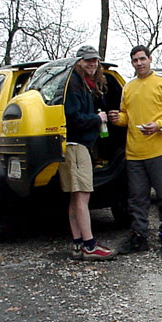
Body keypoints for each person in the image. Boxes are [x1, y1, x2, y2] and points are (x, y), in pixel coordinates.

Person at [109, 45, 162, 255]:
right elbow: (126, 116)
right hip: (134, 153)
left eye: (142, 59)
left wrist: (159, 125)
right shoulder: (128, 87)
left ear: (150, 59)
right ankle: (139, 237)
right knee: (136, 199)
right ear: (132, 63)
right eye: (135, 60)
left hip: (160, 150)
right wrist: (118, 119)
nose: (139, 63)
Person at [60, 45, 114, 260]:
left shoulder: (84, 84)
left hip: (74, 146)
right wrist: (97, 119)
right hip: (75, 146)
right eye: (87, 60)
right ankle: (90, 246)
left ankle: (77, 244)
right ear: (78, 62)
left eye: (94, 60)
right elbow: (72, 118)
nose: (92, 64)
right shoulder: (74, 85)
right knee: (83, 196)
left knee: (75, 197)